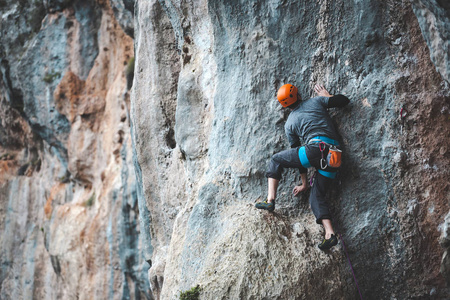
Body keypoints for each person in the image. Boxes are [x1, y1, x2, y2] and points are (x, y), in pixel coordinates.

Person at [255, 83, 350, 250]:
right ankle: (330, 234)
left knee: (276, 160)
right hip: (334, 157)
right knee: (316, 196)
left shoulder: (289, 123)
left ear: (284, 105)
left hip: (314, 151)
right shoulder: (316, 102)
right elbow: (344, 100)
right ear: (298, 95)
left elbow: (297, 157)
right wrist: (326, 96)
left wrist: (304, 182)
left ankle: (270, 200)